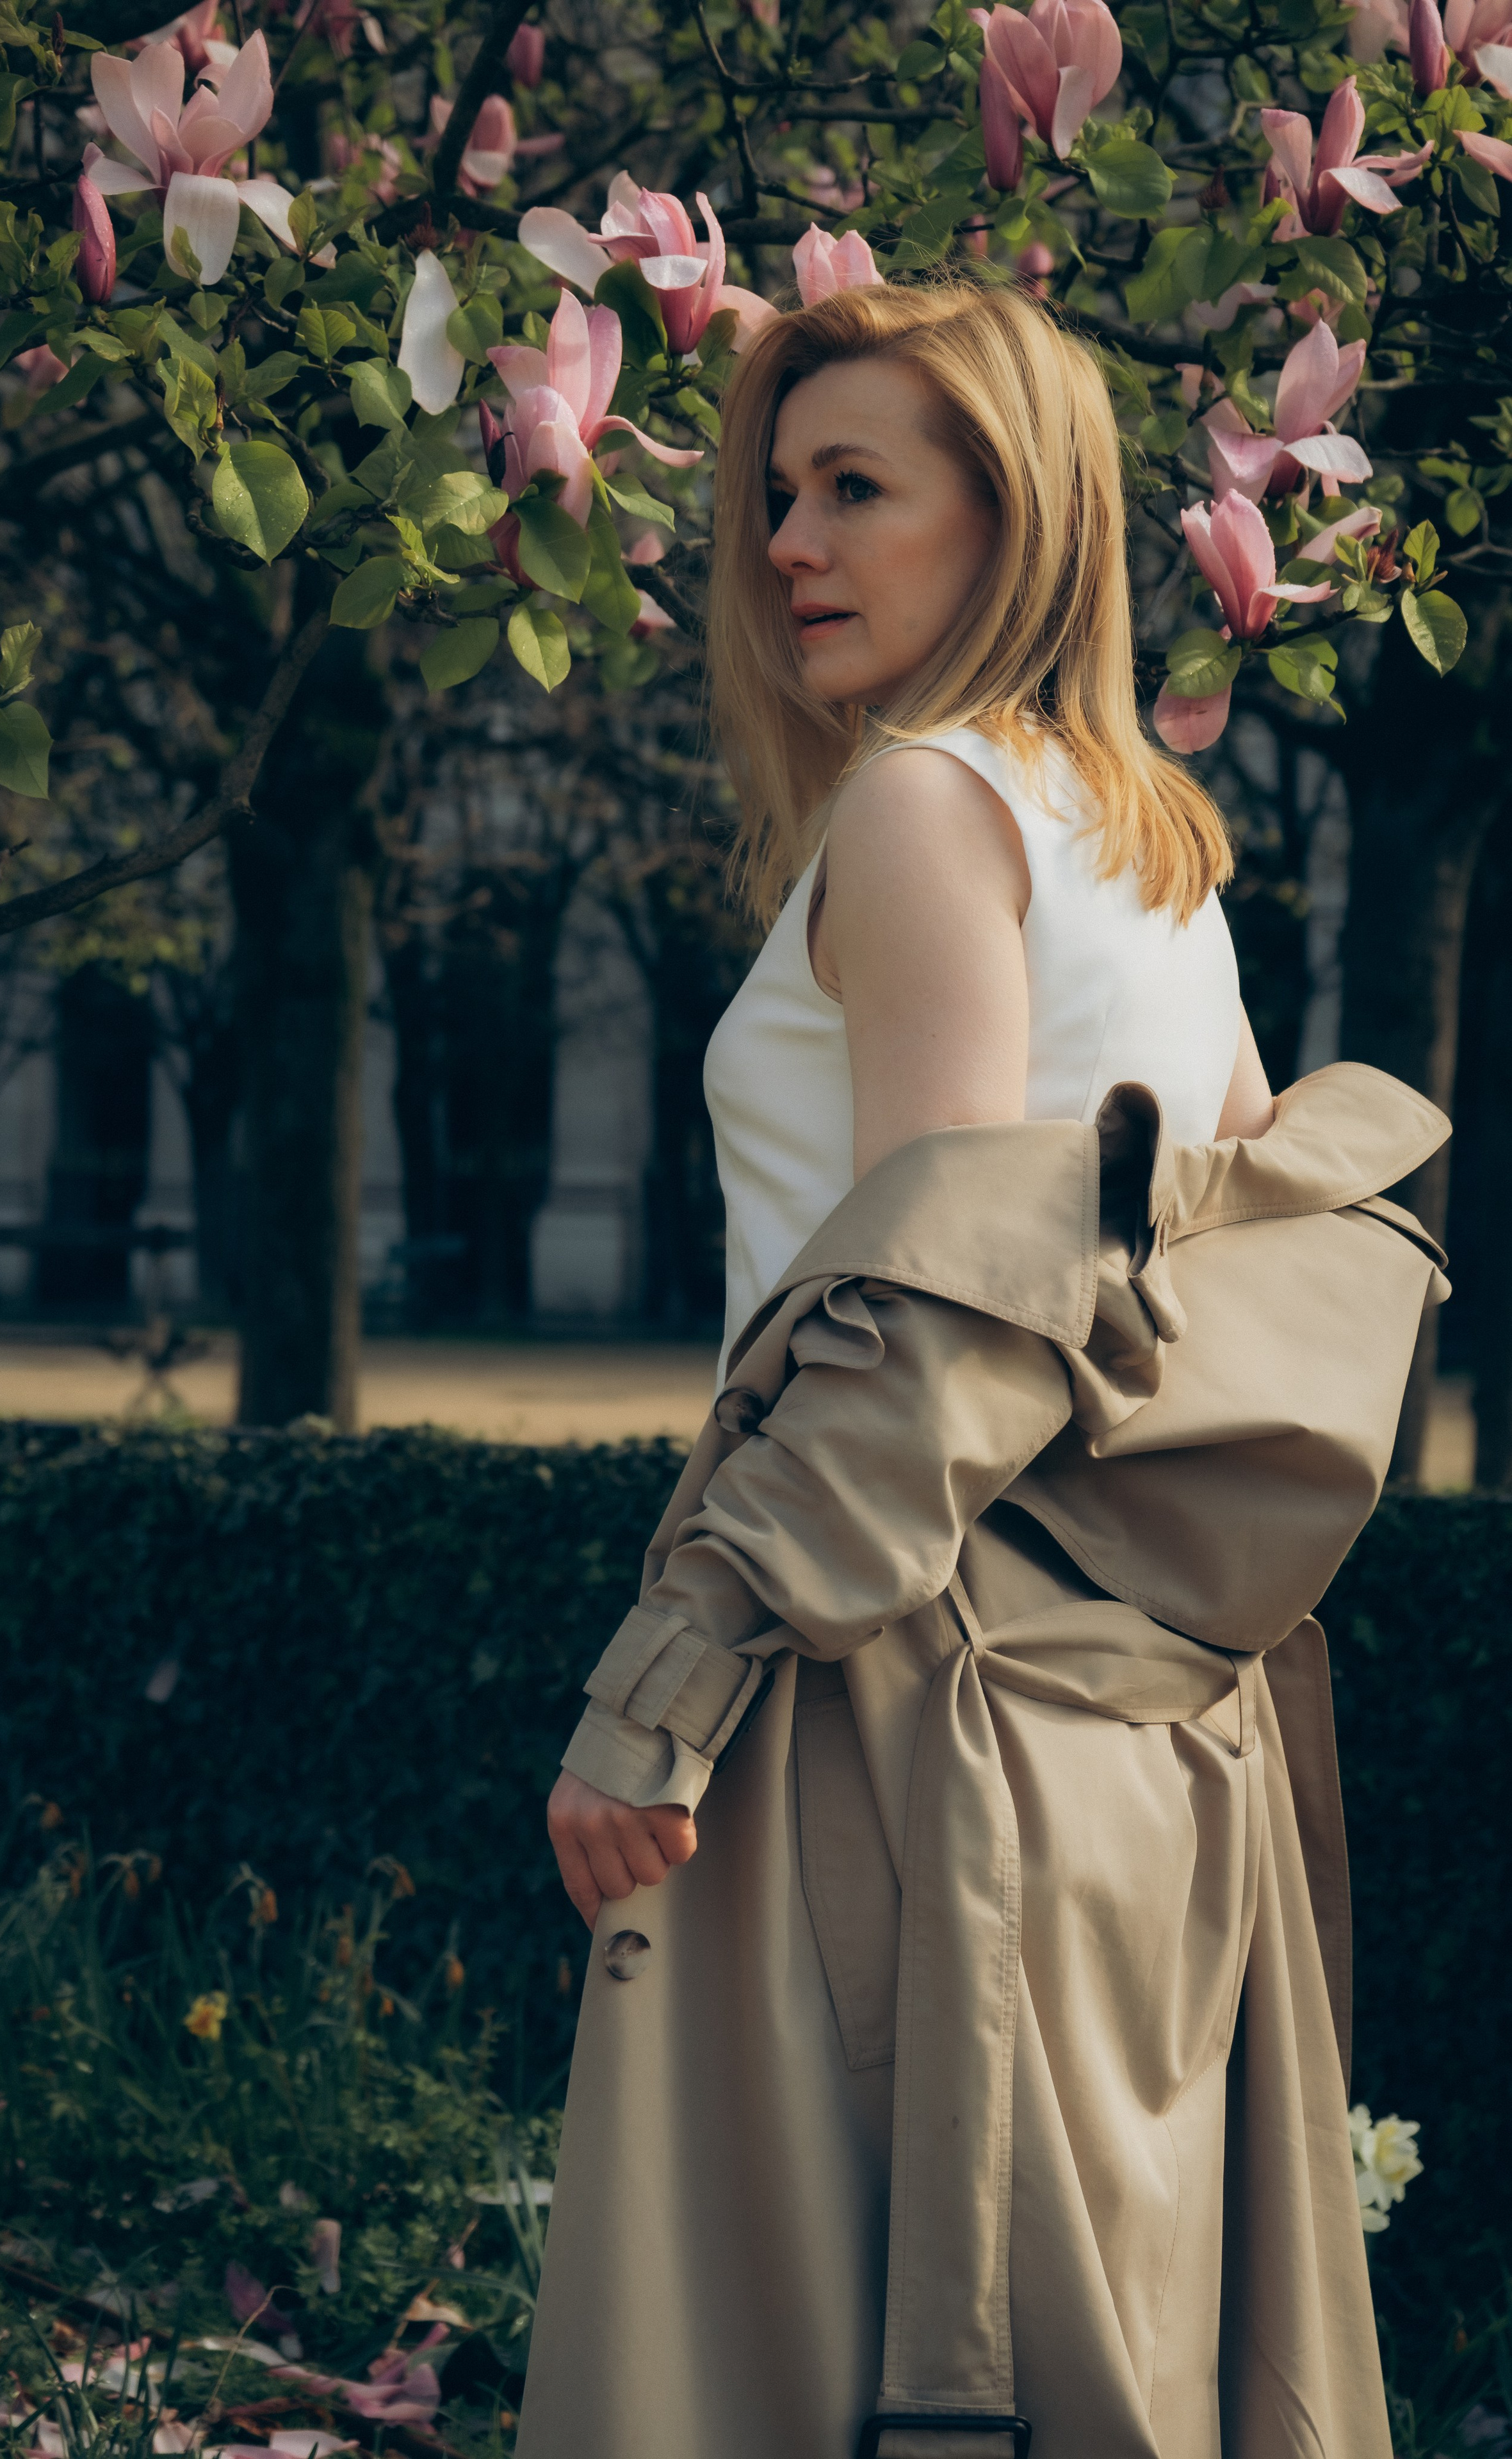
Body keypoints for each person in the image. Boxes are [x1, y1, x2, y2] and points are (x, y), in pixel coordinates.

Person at [517, 277, 1447, 2459]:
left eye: (858, 489)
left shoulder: (930, 810)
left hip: (895, 1688)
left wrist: (663, 1687)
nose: (785, 545)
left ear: (1013, 516)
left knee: (816, 2356)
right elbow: (1266, 1265)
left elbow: (930, 1303)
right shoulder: (1161, 857)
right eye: (771, 492)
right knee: (1107, 2348)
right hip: (1144, 1720)